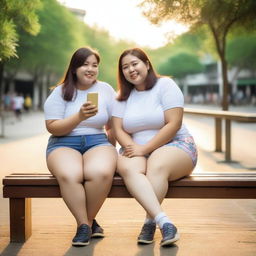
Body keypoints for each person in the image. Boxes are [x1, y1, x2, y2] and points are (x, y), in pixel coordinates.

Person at [112, 48, 197, 247]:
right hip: (135, 147)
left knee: (156, 166)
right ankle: (164, 221)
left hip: (176, 145)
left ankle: (149, 223)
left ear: (147, 64)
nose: (131, 69)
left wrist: (145, 149)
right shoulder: (121, 96)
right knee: (128, 169)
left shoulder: (165, 85)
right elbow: (118, 129)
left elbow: (173, 123)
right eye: (125, 67)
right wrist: (134, 147)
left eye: (135, 64)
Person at [44, 47, 117, 246]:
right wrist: (79, 117)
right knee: (70, 174)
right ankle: (85, 224)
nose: (90, 69)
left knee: (100, 172)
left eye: (95, 65)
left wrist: (113, 151)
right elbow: (52, 127)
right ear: (75, 67)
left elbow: (112, 125)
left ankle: (85, 224)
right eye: (85, 64)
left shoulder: (105, 90)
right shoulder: (60, 92)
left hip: (97, 142)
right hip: (63, 142)